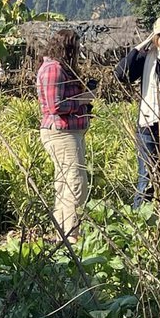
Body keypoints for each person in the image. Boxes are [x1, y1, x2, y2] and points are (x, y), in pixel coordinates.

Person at [114, 15, 160, 207]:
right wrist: (142, 44)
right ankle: (141, 225)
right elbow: (120, 73)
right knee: (146, 179)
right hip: (148, 126)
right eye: (159, 36)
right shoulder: (146, 59)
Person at [37, 27, 94, 241]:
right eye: (75, 47)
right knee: (75, 181)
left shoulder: (58, 67)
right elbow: (55, 106)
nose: (77, 52)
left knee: (63, 183)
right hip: (62, 132)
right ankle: (70, 235)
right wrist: (83, 100)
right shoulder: (54, 68)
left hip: (67, 132)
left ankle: (63, 232)